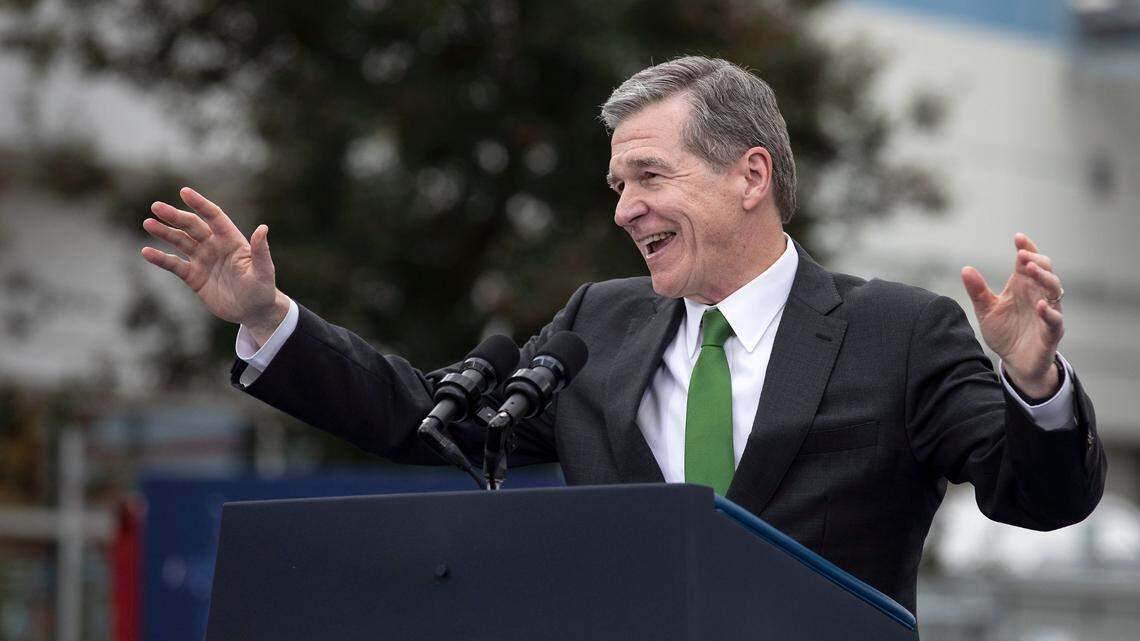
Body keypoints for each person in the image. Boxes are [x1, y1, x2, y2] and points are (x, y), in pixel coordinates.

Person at [140, 56, 1105, 615]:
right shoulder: (599, 323)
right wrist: (270, 319)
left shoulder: (899, 331)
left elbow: (1041, 497)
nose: (623, 208)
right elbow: (424, 417)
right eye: (616, 186)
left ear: (751, 175)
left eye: (648, 176)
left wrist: (1034, 381)